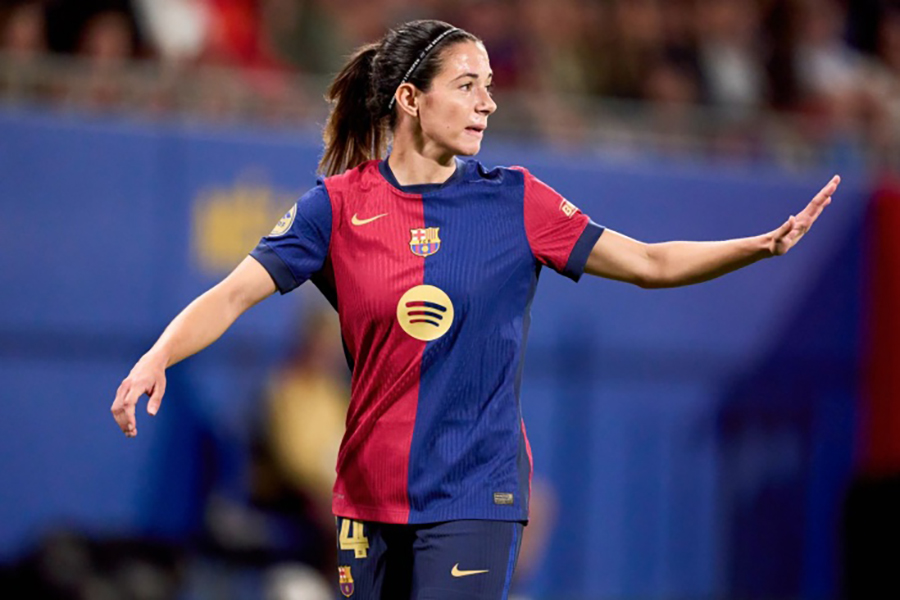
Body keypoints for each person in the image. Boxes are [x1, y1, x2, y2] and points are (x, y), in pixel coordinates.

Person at [111, 19, 840, 600]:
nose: (488, 102)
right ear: (410, 98)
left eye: (489, 86)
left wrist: (761, 246)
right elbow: (232, 293)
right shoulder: (333, 208)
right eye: (467, 86)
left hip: (475, 493)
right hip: (366, 498)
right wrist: (158, 356)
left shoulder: (518, 200)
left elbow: (649, 262)